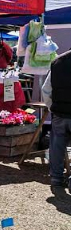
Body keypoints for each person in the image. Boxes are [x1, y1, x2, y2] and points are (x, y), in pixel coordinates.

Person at [42, 49, 71, 189]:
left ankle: (56, 178)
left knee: (57, 146)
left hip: (59, 112)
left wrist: (51, 107)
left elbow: (46, 90)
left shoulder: (57, 62)